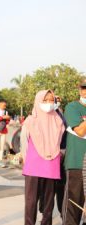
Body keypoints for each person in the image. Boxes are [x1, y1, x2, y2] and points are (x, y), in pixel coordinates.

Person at [20, 90, 64, 225]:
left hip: (52, 164)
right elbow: (24, 144)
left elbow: (62, 136)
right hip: (34, 165)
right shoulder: (30, 121)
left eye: (52, 100)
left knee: (49, 202)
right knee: (31, 201)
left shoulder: (58, 119)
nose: (49, 103)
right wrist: (26, 161)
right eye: (45, 100)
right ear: (38, 101)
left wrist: (58, 105)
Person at [62, 79, 86, 225]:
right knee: (74, 205)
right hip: (77, 162)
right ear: (79, 90)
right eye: (83, 88)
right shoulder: (72, 107)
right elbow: (81, 131)